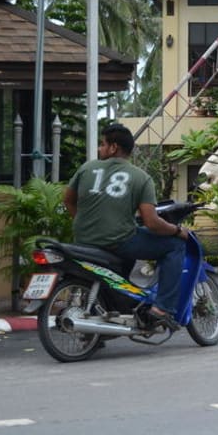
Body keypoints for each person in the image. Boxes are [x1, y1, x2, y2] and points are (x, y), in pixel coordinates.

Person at [63, 123, 188, 329]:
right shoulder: (141, 177)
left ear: (114, 147)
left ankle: (112, 312)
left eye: (102, 144)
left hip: (83, 240)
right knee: (175, 246)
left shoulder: (86, 168)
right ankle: (162, 308)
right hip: (118, 242)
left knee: (131, 245)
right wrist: (177, 230)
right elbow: (152, 222)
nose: (99, 149)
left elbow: (68, 200)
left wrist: (83, 222)